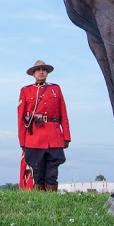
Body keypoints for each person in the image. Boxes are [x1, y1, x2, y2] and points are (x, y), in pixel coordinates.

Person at [17, 60, 71, 191]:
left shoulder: (55, 89)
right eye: (38, 70)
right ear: (33, 74)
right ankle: (41, 200)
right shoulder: (26, 91)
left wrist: (66, 136)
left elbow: (63, 113)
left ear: (47, 73)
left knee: (52, 172)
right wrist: (22, 141)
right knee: (37, 172)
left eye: (43, 69)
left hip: (54, 136)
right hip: (34, 137)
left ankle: (51, 199)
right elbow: (21, 118)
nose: (41, 72)